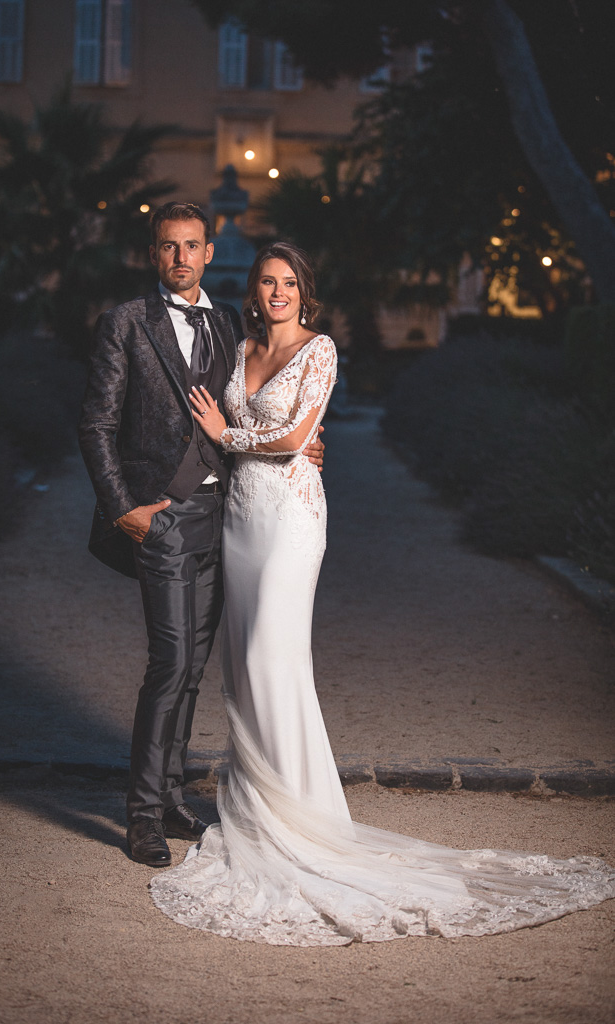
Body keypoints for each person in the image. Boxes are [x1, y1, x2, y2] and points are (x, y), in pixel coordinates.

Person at [147, 241, 615, 946]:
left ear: (305, 291)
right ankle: (258, 814)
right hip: (240, 518)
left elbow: (295, 436)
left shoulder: (320, 349)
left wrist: (230, 432)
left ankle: (303, 822)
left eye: (289, 282)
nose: (278, 292)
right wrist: (225, 439)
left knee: (274, 659)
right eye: (268, 282)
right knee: (242, 668)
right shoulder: (238, 350)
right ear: (254, 291)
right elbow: (235, 433)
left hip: (291, 517)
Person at [78, 204, 326, 869]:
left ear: (209, 253)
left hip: (225, 515)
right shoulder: (126, 322)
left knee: (192, 667)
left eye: (192, 246)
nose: (181, 257)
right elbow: (95, 425)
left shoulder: (228, 326)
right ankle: (140, 815)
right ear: (153, 254)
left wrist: (305, 447)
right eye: (169, 246)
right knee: (169, 662)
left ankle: (168, 795)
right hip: (159, 515)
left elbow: (262, 405)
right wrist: (123, 509)